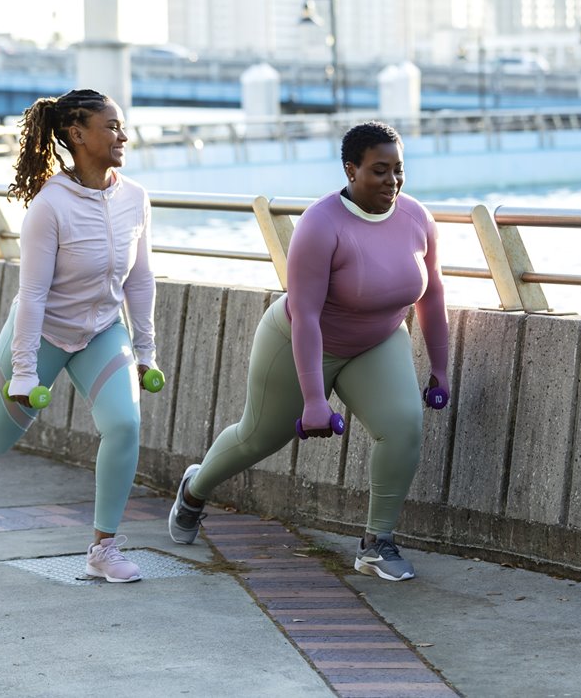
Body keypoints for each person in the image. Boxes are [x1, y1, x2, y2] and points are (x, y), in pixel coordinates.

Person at [167, 121, 449, 581]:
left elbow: (431, 293)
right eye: (379, 171)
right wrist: (315, 399)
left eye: (399, 170)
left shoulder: (416, 217)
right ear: (350, 169)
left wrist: (440, 368)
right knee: (258, 437)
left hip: (377, 341)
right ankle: (195, 489)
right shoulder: (321, 225)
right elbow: (307, 316)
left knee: (403, 428)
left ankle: (377, 544)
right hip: (299, 339)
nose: (392, 182)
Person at [0, 89, 157, 583]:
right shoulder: (49, 206)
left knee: (125, 425)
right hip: (43, 333)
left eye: (122, 125)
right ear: (76, 134)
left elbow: (140, 279)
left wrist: (145, 349)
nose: (122, 135)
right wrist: (24, 372)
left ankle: (103, 547)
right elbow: (34, 295)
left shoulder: (135, 198)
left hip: (103, 331)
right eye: (111, 126)